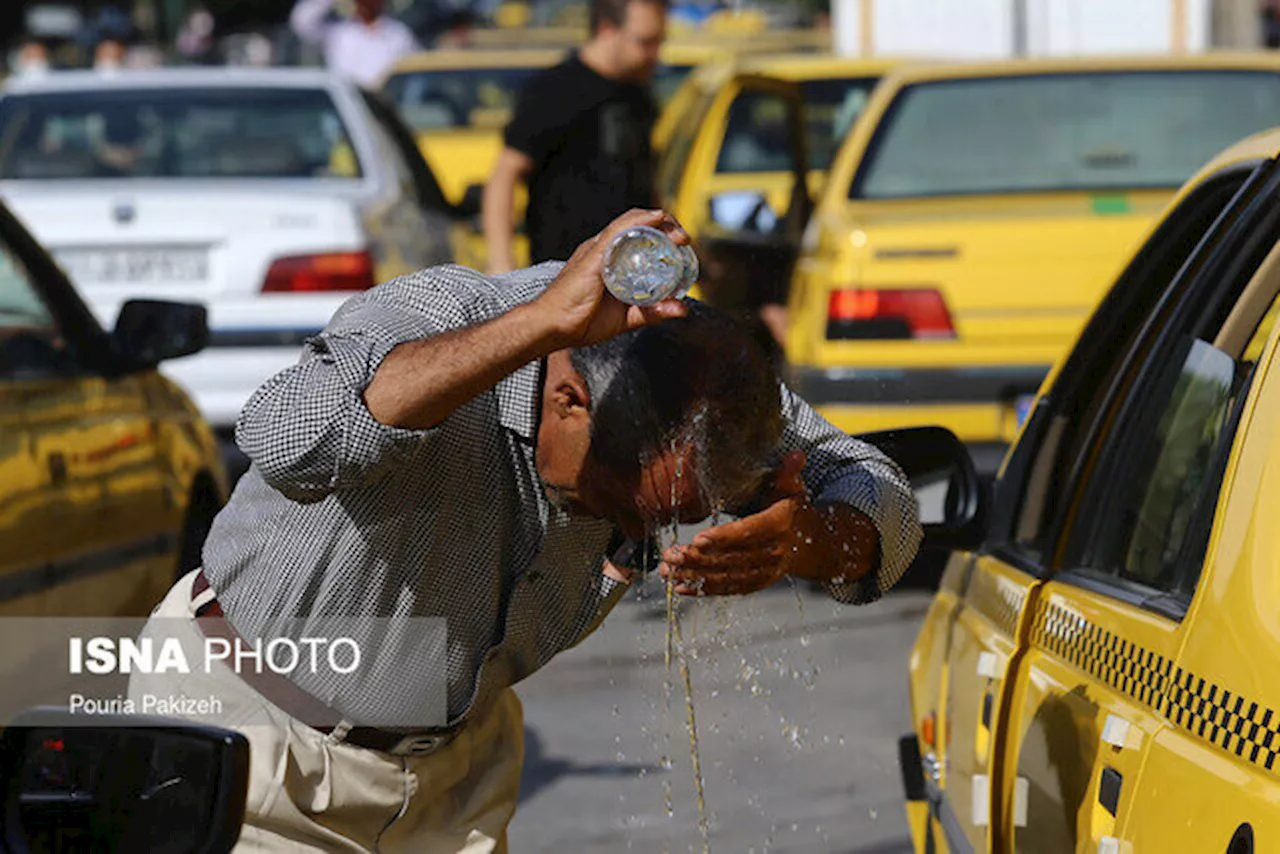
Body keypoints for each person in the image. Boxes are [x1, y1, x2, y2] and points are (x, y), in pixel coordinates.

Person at [128, 209, 922, 852]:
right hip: (250, 751)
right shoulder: (449, 316)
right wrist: (538, 324)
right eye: (614, 508)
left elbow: (887, 500)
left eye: (669, 519)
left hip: (453, 778)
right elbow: (287, 439)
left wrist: (803, 539)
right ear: (567, 397)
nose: (635, 540)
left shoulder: (698, 380)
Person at [482, 0, 666, 273]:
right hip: (560, 273)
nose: (655, 54)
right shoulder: (555, 90)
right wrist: (500, 260)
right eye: (645, 42)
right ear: (607, 30)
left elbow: (646, 182)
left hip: (628, 274)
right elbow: (506, 174)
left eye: (658, 42)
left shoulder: (637, 96)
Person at [290, 0, 419, 89]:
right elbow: (301, 22)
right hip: (348, 105)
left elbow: (415, 69)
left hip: (384, 104)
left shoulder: (398, 34)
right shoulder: (339, 32)